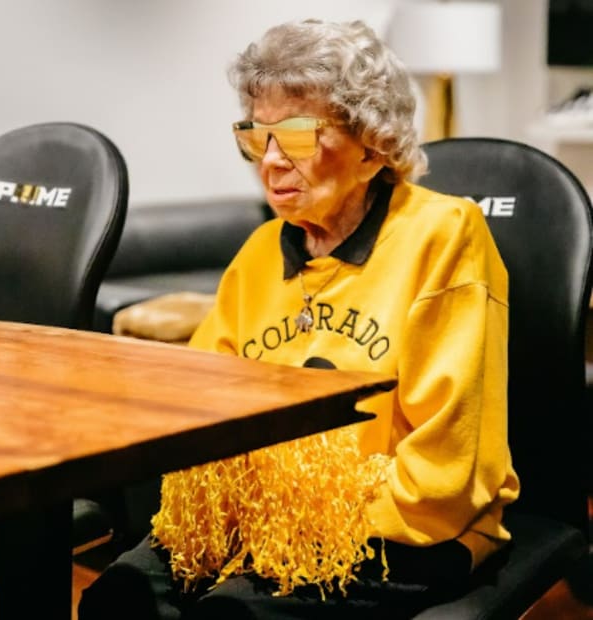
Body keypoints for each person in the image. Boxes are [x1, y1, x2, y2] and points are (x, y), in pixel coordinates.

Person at [79, 18, 519, 620]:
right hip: (257, 515)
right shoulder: (261, 250)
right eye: (257, 137)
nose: (272, 161)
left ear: (372, 145)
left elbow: (443, 474)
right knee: (119, 598)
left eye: (299, 135)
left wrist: (288, 522)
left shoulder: (445, 236)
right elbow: (204, 416)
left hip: (400, 528)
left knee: (232, 616)